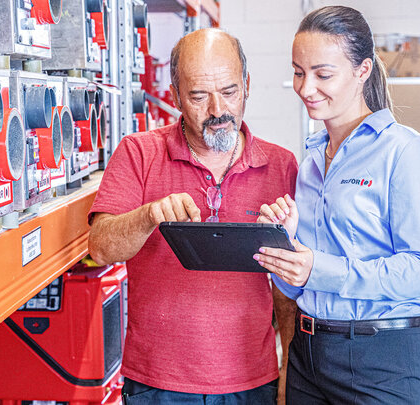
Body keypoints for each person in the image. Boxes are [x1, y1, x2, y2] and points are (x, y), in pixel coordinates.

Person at [88, 28, 299, 404]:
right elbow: (102, 247)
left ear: (247, 85)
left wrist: (289, 373)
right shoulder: (138, 154)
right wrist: (149, 215)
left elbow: (286, 290)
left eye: (230, 92)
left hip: (252, 382)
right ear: (176, 97)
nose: (218, 110)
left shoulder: (281, 166)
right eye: (199, 96)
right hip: (158, 384)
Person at [254, 6, 420, 405]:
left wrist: (318, 267)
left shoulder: (405, 152)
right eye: (299, 72)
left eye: (323, 74)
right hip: (309, 355)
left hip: (382, 360)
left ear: (362, 71)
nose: (306, 88)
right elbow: (301, 280)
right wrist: (285, 248)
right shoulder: (309, 163)